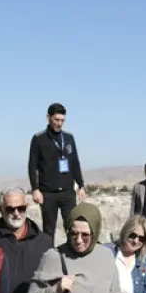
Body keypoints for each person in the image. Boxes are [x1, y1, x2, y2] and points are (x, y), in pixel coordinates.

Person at [28, 102, 86, 237]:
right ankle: (49, 256)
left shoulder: (68, 138)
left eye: (62, 120)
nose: (59, 124)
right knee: (49, 230)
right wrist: (35, 189)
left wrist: (81, 185)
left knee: (72, 227)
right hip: (48, 193)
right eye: (56, 120)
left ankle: (71, 256)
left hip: (67, 192)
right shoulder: (39, 139)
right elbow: (32, 166)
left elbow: (74, 162)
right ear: (48, 118)